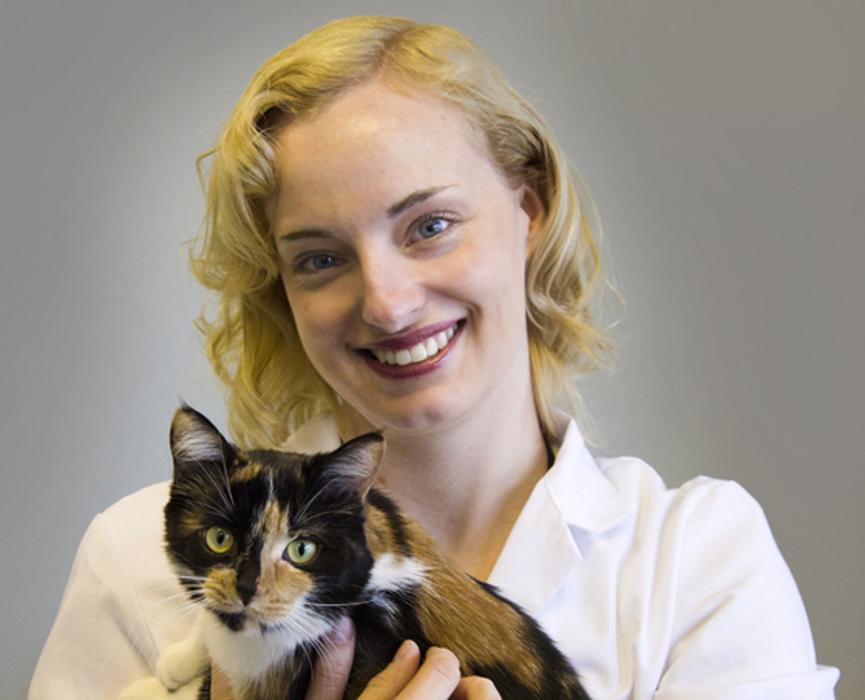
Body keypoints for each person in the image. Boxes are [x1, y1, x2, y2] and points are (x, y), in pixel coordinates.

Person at [30, 16, 838, 700]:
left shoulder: (697, 556)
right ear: (281, 290)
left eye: (430, 226)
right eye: (319, 258)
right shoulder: (132, 561)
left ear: (528, 211)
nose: (386, 303)